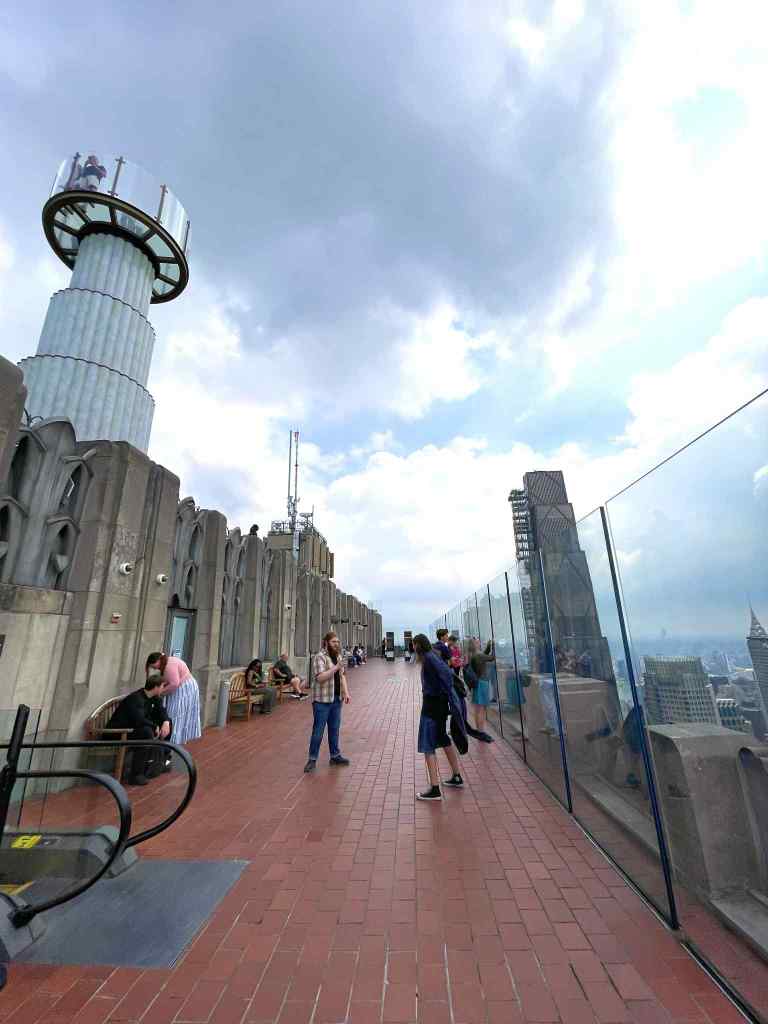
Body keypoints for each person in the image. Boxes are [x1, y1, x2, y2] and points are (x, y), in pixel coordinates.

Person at [414, 633, 465, 801]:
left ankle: (435, 789)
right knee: (443, 739)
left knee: (427, 745)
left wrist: (438, 694)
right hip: (440, 706)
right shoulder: (433, 656)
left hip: (432, 707)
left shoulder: (429, 659)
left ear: (418, 645)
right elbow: (447, 675)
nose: (413, 648)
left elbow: (445, 677)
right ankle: (456, 776)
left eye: (414, 645)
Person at [107, 674, 173, 786]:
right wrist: (154, 726)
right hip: (118, 732)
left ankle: (163, 761)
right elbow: (138, 719)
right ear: (156, 687)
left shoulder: (155, 698)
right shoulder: (135, 698)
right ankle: (136, 775)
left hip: (132, 730)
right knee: (146, 732)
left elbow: (161, 711)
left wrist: (166, 722)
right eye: (162, 686)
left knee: (167, 724)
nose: (163, 689)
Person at [305, 631, 351, 773]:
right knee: (318, 731)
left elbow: (342, 676)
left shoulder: (338, 656)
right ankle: (312, 759)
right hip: (322, 701)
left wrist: (346, 692)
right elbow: (320, 678)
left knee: (334, 729)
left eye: (337, 642)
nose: (336, 644)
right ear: (326, 642)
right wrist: (336, 667)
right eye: (333, 642)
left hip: (336, 699)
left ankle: (335, 756)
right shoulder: (319, 657)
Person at [145, 652, 202, 745]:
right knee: (178, 715)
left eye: (154, 666)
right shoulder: (167, 662)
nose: (155, 668)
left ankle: (173, 740)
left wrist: (160, 692)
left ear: (158, 661)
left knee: (175, 714)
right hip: (185, 687)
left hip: (184, 689)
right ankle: (176, 740)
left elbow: (174, 683)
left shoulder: (168, 666)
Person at [468, 639, 496, 742]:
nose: (479, 642)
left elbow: (484, 655)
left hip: (479, 683)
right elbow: (491, 658)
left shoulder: (476, 655)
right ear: (475, 644)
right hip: (482, 683)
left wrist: (488, 646)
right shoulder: (478, 655)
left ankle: (480, 730)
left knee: (479, 709)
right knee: (480, 709)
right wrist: (494, 646)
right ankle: (480, 732)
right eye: (478, 641)